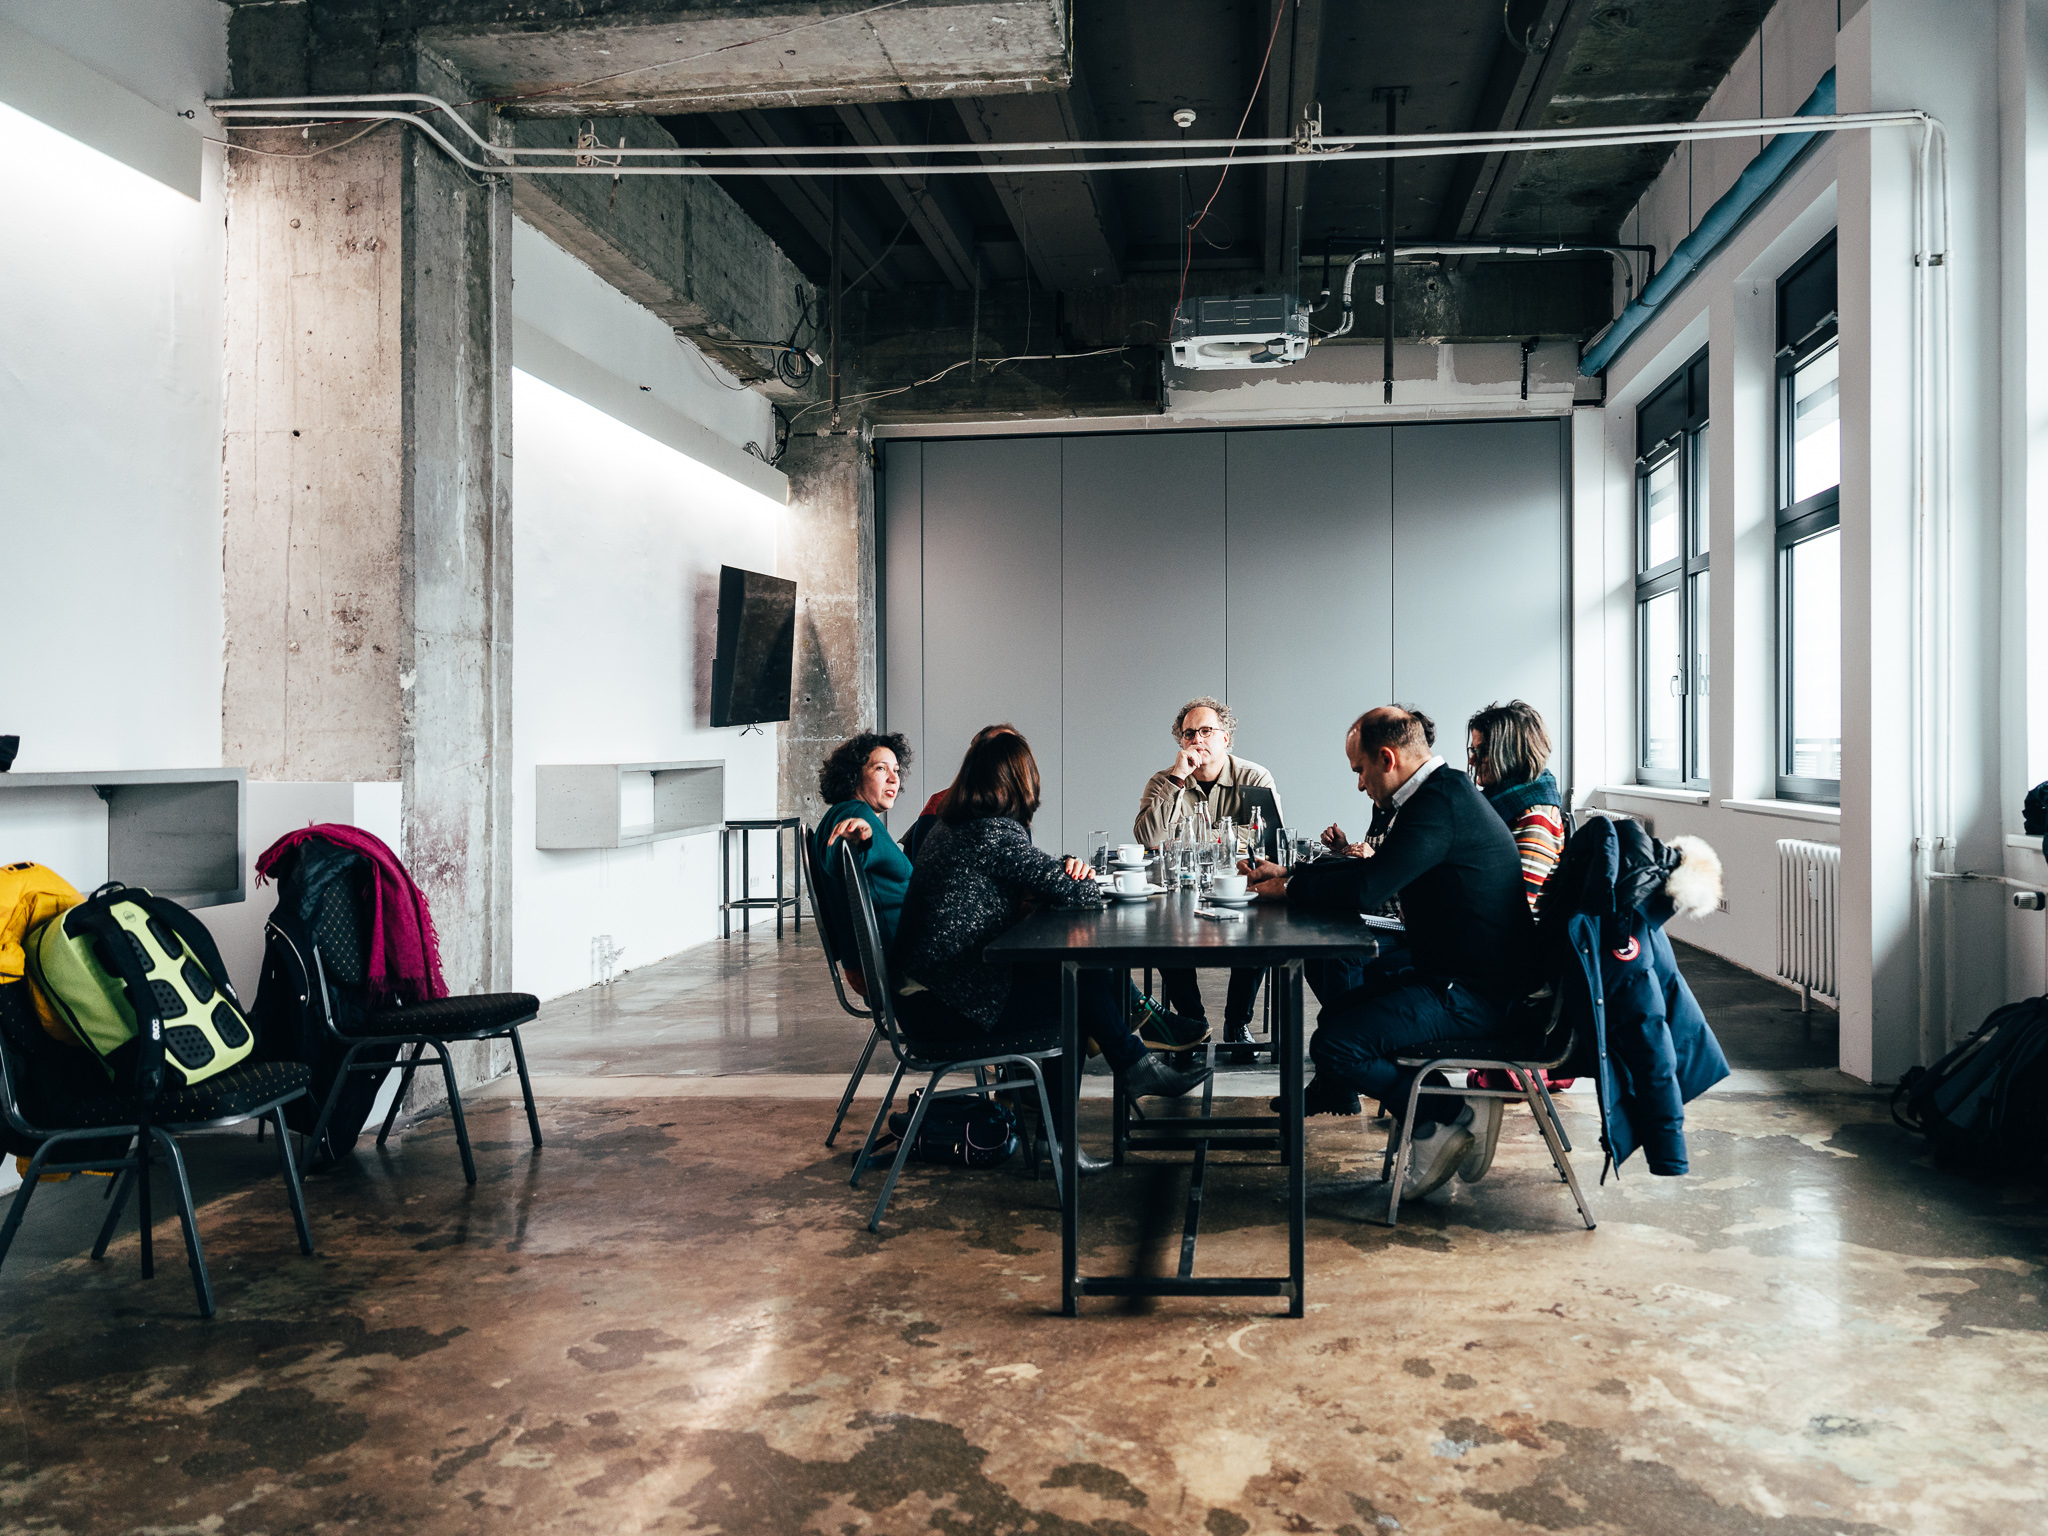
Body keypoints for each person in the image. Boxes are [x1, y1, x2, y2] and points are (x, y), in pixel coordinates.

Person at [1245, 706, 1537, 1201]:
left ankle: (1442, 1115)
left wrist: (1289, 888)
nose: (1360, 785)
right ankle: (1449, 1111)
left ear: (1386, 758)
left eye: (1359, 770)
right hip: (1460, 977)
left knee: (1337, 1045)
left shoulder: (1436, 804)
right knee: (1337, 1011)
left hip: (1476, 995)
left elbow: (1368, 887)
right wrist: (1291, 877)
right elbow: (1374, 872)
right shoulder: (1440, 794)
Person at [894, 731, 1209, 1158]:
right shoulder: (991, 833)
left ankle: (1116, 1081)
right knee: (1076, 987)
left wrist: (1062, 869)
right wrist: (1066, 875)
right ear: (1022, 781)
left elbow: (1040, 874)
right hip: (943, 1009)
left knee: (1080, 975)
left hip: (939, 994)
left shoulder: (955, 825)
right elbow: (1079, 893)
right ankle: (1108, 1091)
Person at [1134, 697, 1281, 1058]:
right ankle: (1192, 1023)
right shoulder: (1165, 780)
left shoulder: (1254, 777)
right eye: (1188, 734)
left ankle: (1237, 1021)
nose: (1197, 739)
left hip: (1239, 884)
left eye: (1206, 731)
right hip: (1181, 887)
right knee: (1164, 931)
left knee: (1260, 928)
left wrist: (1196, 840)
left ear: (1226, 737)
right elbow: (1149, 839)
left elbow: (1263, 840)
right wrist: (1177, 780)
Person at [815, 732, 914, 967]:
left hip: (900, 950)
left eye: (896, 770)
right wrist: (855, 837)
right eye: (881, 768)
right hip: (899, 961)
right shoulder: (854, 815)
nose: (893, 779)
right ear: (854, 775)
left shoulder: (848, 811)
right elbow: (839, 861)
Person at [1466, 700, 1567, 910]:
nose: (1472, 761)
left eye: (1480, 751)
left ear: (1508, 754)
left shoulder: (1536, 819)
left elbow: (1511, 910)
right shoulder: (1499, 807)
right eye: (1472, 750)